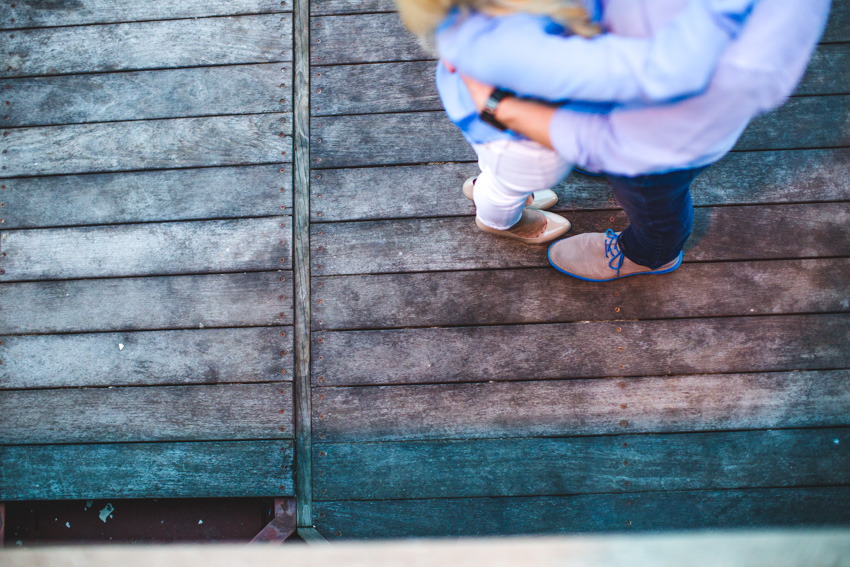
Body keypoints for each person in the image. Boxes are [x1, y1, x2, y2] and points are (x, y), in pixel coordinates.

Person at [443, 0, 831, 280]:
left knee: (653, 200)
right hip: (529, 130)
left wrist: (500, 106)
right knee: (510, 177)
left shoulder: (746, 57)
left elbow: (626, 141)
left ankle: (649, 255)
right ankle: (499, 209)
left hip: (656, 146)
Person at [396, 0, 762, 244]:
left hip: (484, 114)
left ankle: (492, 185)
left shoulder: (474, 21)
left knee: (497, 165)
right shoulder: (523, 43)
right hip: (526, 135)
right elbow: (647, 73)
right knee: (515, 178)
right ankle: (498, 218)